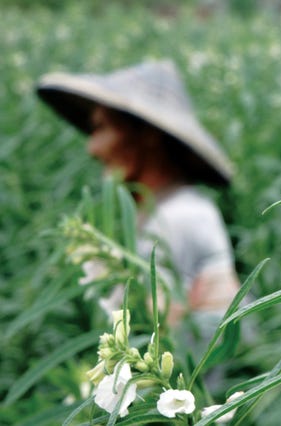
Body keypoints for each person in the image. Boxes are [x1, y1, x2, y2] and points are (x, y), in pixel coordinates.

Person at [36, 60, 241, 347]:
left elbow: (157, 337)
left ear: (148, 135)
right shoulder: (158, 209)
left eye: (102, 127)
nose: (92, 147)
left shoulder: (181, 216)